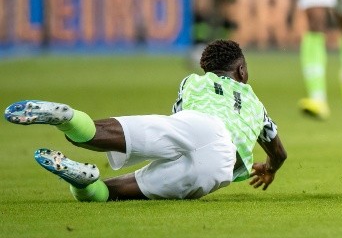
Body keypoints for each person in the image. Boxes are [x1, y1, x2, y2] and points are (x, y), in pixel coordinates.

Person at [4, 39, 286, 201]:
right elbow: (279, 153)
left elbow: (178, 122)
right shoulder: (256, 106)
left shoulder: (193, 82)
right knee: (118, 192)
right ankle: (84, 184)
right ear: (241, 71)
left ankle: (66, 119)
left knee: (100, 132)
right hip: (217, 169)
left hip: (197, 124)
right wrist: (269, 168)